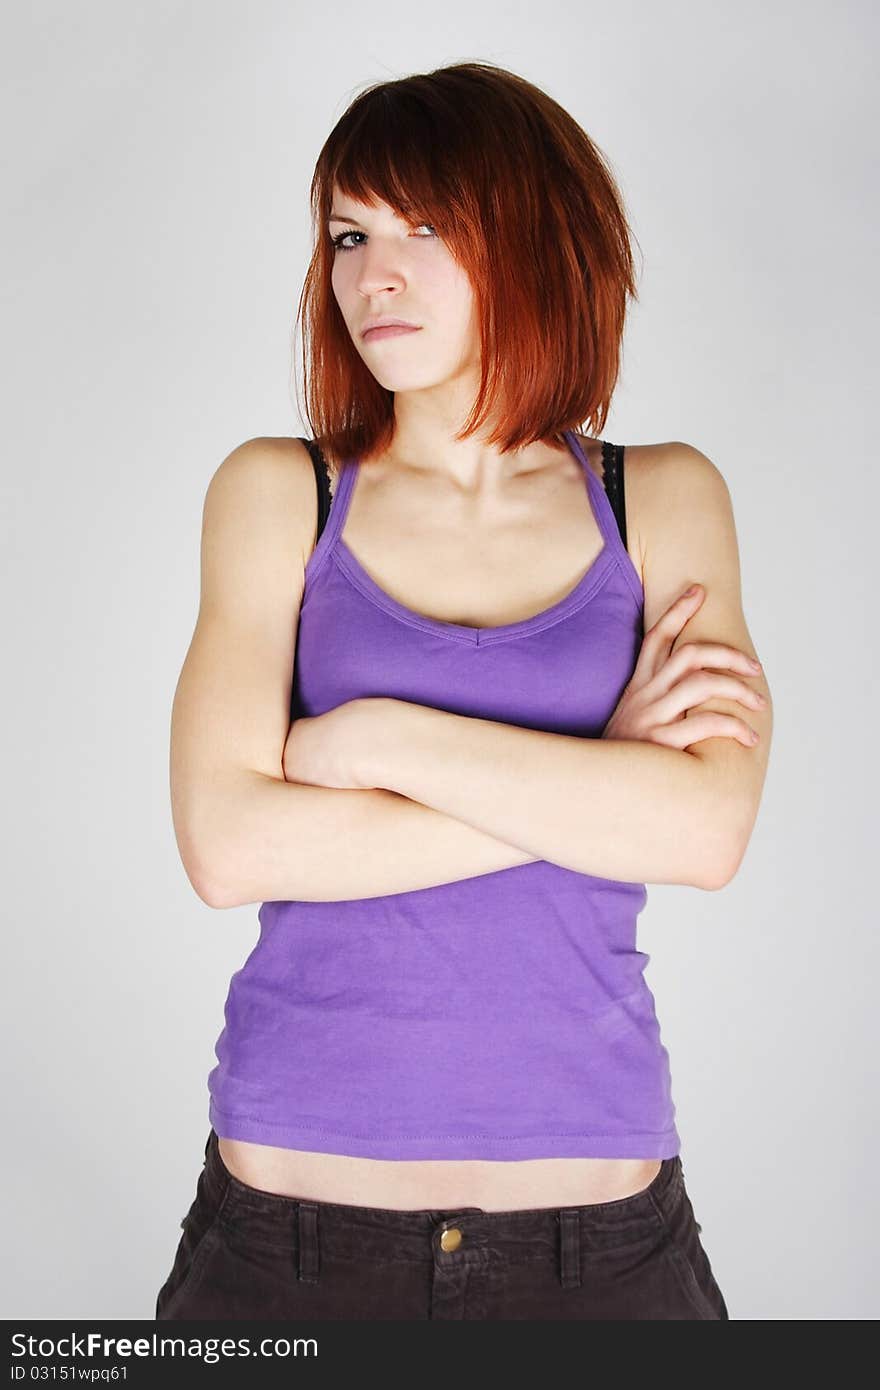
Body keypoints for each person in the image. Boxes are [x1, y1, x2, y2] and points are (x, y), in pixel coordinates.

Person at [155, 61, 772, 1321]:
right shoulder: (279, 493)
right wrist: (599, 766)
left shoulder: (664, 497)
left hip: (599, 1250)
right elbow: (227, 846)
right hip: (288, 1246)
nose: (374, 274)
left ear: (536, 237)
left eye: (428, 228)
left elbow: (704, 832)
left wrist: (376, 737)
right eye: (349, 233)